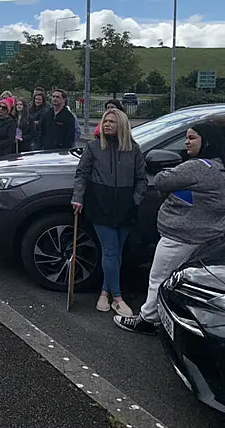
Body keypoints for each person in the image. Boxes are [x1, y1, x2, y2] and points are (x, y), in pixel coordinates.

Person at [114, 122, 225, 335]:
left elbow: (163, 180)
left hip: (179, 237)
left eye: (192, 138)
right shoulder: (219, 167)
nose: (186, 142)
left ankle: (147, 320)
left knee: (159, 277)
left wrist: (173, 176)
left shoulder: (197, 167)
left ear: (207, 142)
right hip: (209, 237)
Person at [71, 109, 147, 316]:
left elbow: (142, 178)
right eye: (105, 121)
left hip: (125, 207)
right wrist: (78, 197)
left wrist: (135, 200)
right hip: (101, 205)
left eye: (112, 121)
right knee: (111, 250)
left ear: (121, 124)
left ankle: (104, 293)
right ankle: (118, 298)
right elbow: (82, 174)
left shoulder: (133, 149)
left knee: (115, 253)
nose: (107, 124)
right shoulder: (94, 147)